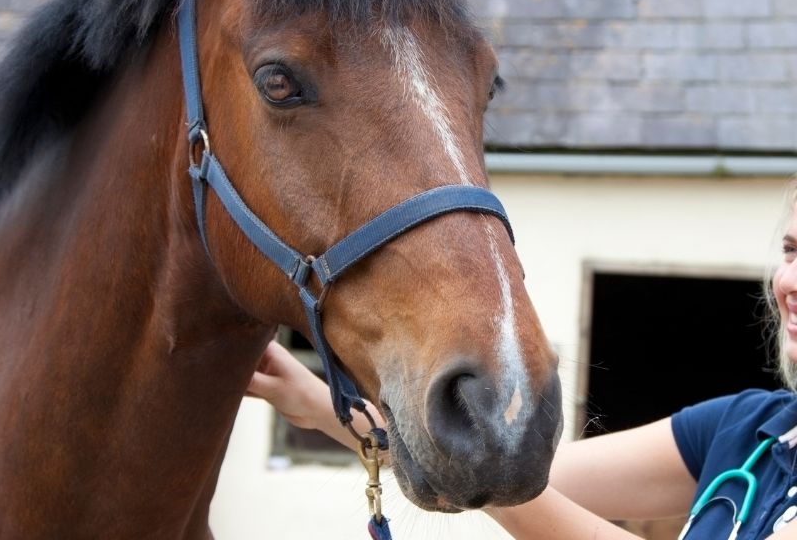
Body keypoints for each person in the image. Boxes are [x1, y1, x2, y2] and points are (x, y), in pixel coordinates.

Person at [247, 189, 797, 540]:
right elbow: (536, 481)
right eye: (792, 251)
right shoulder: (748, 432)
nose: (789, 281)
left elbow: (510, 497)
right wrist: (326, 408)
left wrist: (485, 492)